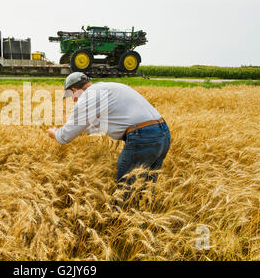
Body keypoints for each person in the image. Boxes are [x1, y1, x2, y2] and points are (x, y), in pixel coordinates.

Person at [47, 72, 171, 203]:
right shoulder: (109, 87)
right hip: (163, 134)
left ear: (74, 90)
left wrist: (54, 133)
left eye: (71, 97)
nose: (74, 100)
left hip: (143, 137)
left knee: (125, 192)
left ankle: (122, 219)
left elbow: (65, 137)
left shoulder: (88, 96)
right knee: (146, 191)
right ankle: (146, 218)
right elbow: (97, 125)